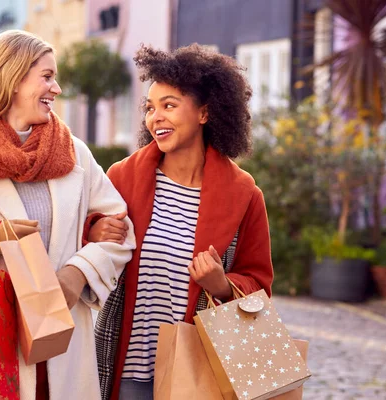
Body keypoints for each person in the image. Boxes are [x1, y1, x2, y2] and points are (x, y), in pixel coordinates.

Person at [0, 30, 135, 400]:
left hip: (62, 340)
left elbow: (120, 230)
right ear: (12, 78)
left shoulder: (74, 152)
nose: (57, 88)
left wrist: (77, 273)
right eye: (47, 76)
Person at [88, 44, 274, 400]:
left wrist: (221, 285)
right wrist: (95, 230)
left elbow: (260, 286)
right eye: (149, 108)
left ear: (204, 113)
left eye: (169, 106)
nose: (155, 117)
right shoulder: (123, 178)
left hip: (197, 372)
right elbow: (86, 249)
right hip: (127, 368)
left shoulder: (244, 195)